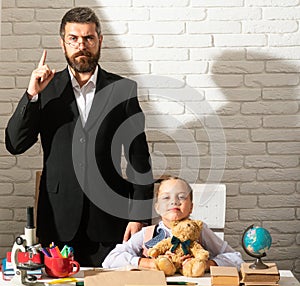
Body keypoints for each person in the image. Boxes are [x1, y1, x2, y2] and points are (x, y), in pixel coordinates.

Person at [5, 7, 153, 266]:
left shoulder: (123, 90)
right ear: (62, 44)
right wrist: (31, 95)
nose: (81, 45)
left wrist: (138, 216)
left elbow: (139, 159)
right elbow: (15, 144)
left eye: (88, 38)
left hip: (109, 221)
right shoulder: (46, 89)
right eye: (73, 39)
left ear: (99, 41)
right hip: (58, 221)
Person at [102, 176, 244, 271]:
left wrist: (205, 265)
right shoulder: (148, 233)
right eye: (166, 197)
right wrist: (150, 263)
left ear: (191, 207)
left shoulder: (199, 231)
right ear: (157, 207)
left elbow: (236, 258)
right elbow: (110, 260)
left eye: (181, 197)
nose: (174, 201)